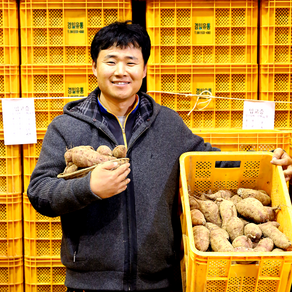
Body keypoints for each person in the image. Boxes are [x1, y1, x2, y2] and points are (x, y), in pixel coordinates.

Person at [27, 20, 292, 292]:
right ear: (94, 66)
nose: (121, 71)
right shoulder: (65, 127)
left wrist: (271, 165)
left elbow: (213, 162)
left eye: (131, 62)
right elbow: (39, 192)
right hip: (91, 284)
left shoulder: (167, 124)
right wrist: (88, 188)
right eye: (111, 61)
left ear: (143, 70)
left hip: (161, 283)